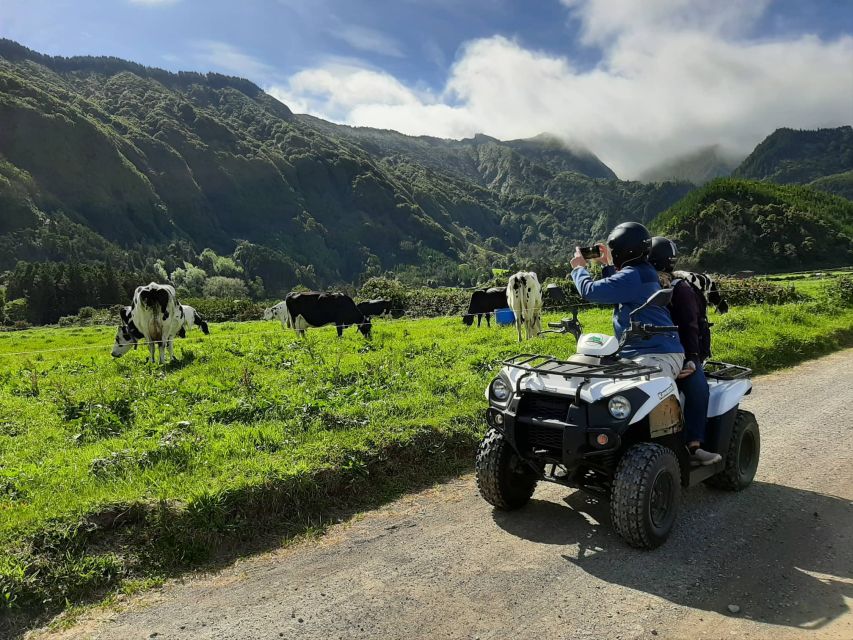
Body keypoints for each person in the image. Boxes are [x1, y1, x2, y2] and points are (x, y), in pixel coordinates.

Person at [569, 222, 684, 380]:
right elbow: (618, 290)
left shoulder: (633, 275)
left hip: (656, 355)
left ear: (623, 250)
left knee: (624, 393)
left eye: (614, 249)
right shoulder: (643, 270)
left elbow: (590, 291)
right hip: (644, 352)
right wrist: (607, 265)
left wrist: (579, 269)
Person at [648, 236, 722, 465]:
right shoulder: (640, 285)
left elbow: (690, 326)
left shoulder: (679, 289)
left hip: (679, 353)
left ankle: (694, 445)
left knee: (698, 389)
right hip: (645, 351)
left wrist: (691, 359)